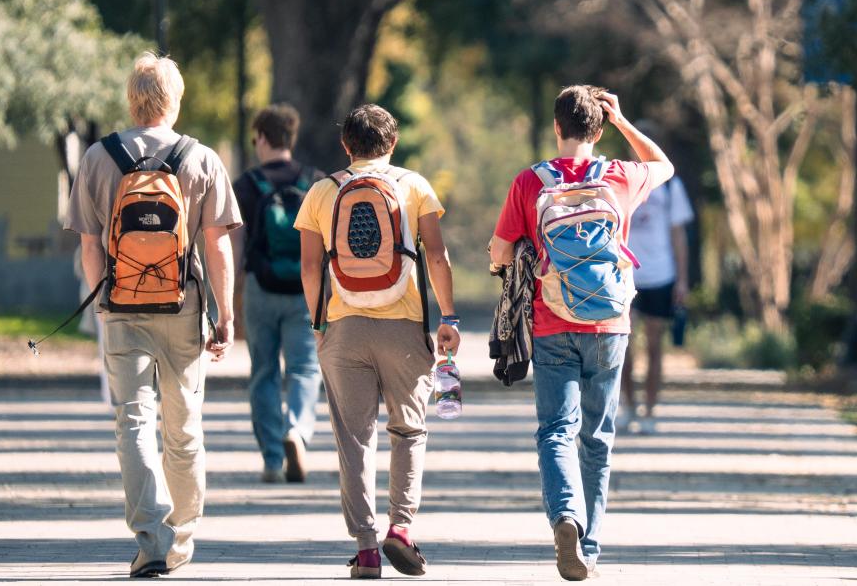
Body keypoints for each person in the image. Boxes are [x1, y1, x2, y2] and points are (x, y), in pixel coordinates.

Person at [67, 53, 241, 579]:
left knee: (134, 422)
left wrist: (104, 305)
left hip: (122, 309)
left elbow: (90, 246)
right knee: (183, 429)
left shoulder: (99, 158)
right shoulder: (201, 158)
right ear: (175, 99)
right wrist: (225, 314)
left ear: (131, 99)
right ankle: (182, 542)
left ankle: (152, 538)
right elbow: (218, 250)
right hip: (183, 307)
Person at [489, 86, 673, 581]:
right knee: (597, 436)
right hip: (610, 324)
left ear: (556, 127)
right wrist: (624, 122)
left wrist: (509, 259)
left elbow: (500, 252)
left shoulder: (530, 182)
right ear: (597, 127)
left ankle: (565, 516)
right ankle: (588, 547)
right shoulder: (620, 175)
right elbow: (665, 165)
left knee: (556, 430)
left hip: (551, 322)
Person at [295, 104, 460, 580]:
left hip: (343, 328)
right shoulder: (414, 187)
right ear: (393, 143)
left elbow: (309, 268)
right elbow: (438, 257)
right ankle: (401, 529)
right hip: (405, 329)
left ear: (345, 145)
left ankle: (366, 549)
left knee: (353, 440)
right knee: (408, 431)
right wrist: (447, 315)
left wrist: (318, 323)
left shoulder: (323, 191)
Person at [231, 104, 323, 484]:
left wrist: (231, 294)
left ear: (263, 138)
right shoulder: (314, 182)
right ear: (291, 138)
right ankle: (297, 431)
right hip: (304, 288)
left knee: (264, 372)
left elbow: (234, 246)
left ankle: (271, 458)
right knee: (304, 368)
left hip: (261, 288)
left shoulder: (247, 185)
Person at [620, 124, 694, 435]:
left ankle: (650, 409)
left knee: (654, 345)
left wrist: (682, 279)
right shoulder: (620, 180)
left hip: (661, 275)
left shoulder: (670, 185)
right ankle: (627, 404)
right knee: (622, 346)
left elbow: (678, 234)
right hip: (624, 274)